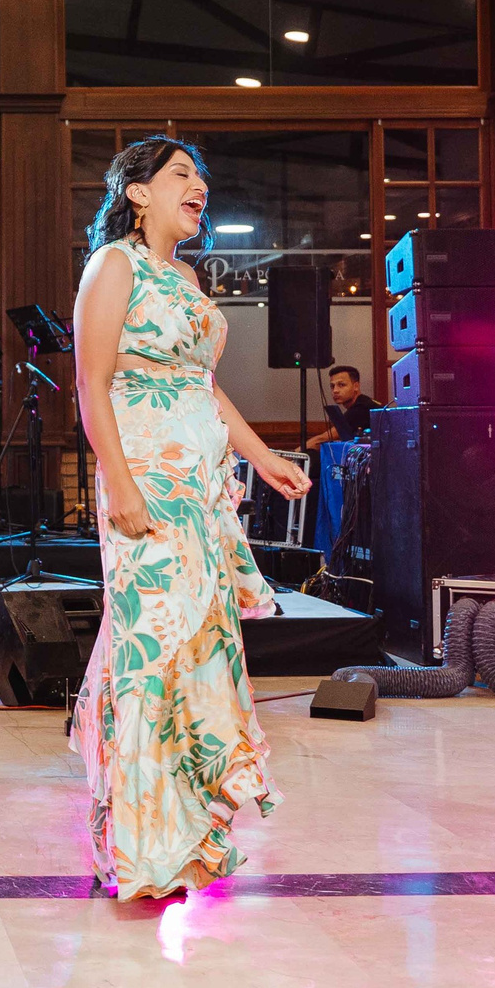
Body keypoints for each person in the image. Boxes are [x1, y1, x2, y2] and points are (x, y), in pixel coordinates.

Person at [71, 135, 308, 900]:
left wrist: (260, 455)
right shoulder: (115, 266)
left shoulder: (186, 276)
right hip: (144, 479)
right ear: (137, 193)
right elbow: (91, 382)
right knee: (149, 647)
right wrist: (120, 483)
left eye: (201, 176)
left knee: (198, 644)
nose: (198, 185)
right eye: (180, 174)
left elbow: (203, 385)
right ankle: (136, 844)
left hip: (203, 489)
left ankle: (181, 833)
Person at [304, 363, 381, 450]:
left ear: (356, 386)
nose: (335, 390)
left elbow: (323, 439)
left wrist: (294, 453)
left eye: (341, 385)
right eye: (332, 386)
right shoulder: (361, 403)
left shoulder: (361, 408)